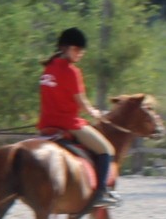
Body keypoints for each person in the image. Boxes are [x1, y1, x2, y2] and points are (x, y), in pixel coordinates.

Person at [39, 26, 116, 207]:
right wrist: (95, 113)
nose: (81, 54)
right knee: (107, 149)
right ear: (67, 48)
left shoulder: (47, 69)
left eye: (81, 51)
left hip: (45, 124)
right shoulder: (72, 71)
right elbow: (81, 102)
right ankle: (101, 192)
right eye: (78, 50)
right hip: (69, 124)